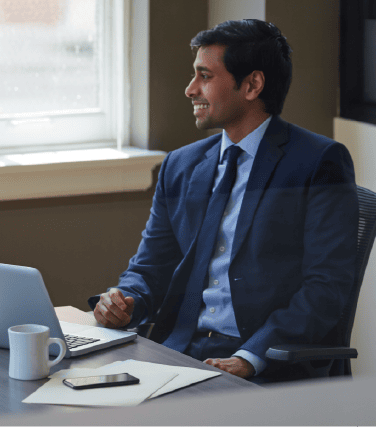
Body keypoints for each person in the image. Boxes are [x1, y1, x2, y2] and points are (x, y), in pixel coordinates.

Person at [89, 19, 357, 380]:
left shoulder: (318, 162)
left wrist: (251, 356)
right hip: (179, 349)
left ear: (252, 85)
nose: (190, 90)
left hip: (264, 361)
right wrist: (126, 300)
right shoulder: (180, 165)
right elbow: (151, 265)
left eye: (205, 76)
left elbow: (326, 288)